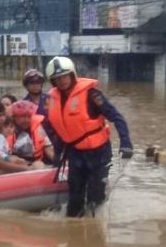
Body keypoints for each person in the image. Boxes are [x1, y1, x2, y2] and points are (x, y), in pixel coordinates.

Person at [45, 56, 133, 217]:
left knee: (95, 198)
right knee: (74, 200)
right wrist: (58, 155)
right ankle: (74, 236)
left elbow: (116, 117)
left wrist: (126, 142)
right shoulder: (52, 100)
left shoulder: (92, 95)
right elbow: (58, 131)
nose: (62, 81)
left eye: (65, 75)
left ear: (72, 74)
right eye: (57, 78)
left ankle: (96, 232)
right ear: (52, 81)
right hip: (75, 153)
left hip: (99, 153)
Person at [7, 100, 55, 165]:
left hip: (35, 163)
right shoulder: (7, 128)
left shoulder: (38, 127)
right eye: (23, 116)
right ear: (14, 117)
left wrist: (59, 160)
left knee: (39, 165)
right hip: (14, 164)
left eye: (29, 116)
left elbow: (48, 148)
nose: (27, 120)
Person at [22, 68, 58, 152]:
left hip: (54, 139)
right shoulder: (23, 104)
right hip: (34, 141)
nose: (35, 85)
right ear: (26, 85)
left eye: (38, 82)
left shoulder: (51, 99)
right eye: (32, 83)